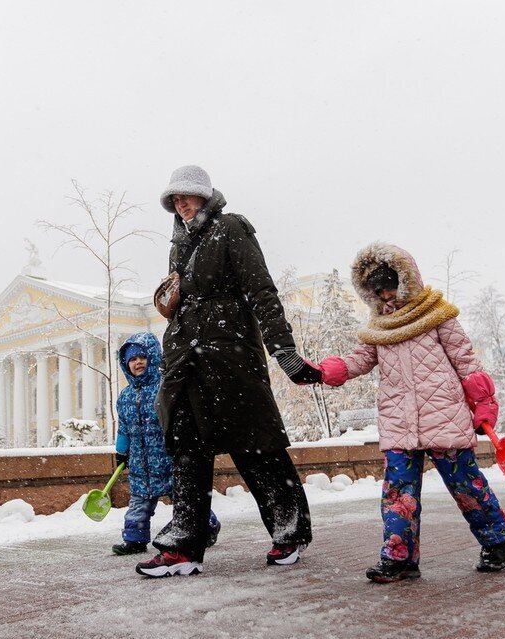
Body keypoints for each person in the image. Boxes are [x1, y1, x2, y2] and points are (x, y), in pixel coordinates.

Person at [136, 165, 321, 578]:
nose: (181, 204)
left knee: (256, 447)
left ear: (204, 195)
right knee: (186, 451)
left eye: (187, 196)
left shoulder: (231, 228)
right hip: (186, 361)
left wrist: (283, 350)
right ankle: (184, 546)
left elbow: (261, 290)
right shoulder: (178, 245)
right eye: (174, 200)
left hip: (230, 357)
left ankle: (288, 532)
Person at [317, 242, 505, 583]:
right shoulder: (378, 328)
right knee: (398, 493)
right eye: (377, 291)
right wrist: (324, 371)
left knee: (466, 486)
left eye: (390, 286)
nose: (385, 296)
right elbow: (358, 360)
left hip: (444, 415)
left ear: (406, 279)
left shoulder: (438, 314)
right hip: (398, 421)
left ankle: (498, 541)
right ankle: (399, 557)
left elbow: (467, 363)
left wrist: (484, 404)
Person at [112, 332, 220, 557]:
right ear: (125, 364)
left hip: (167, 456)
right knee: (139, 501)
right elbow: (124, 427)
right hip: (140, 463)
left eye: (142, 357)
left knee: (184, 499)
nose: (138, 362)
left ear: (153, 357)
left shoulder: (165, 386)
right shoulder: (124, 397)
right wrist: (121, 452)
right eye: (132, 359)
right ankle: (135, 539)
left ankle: (206, 525)